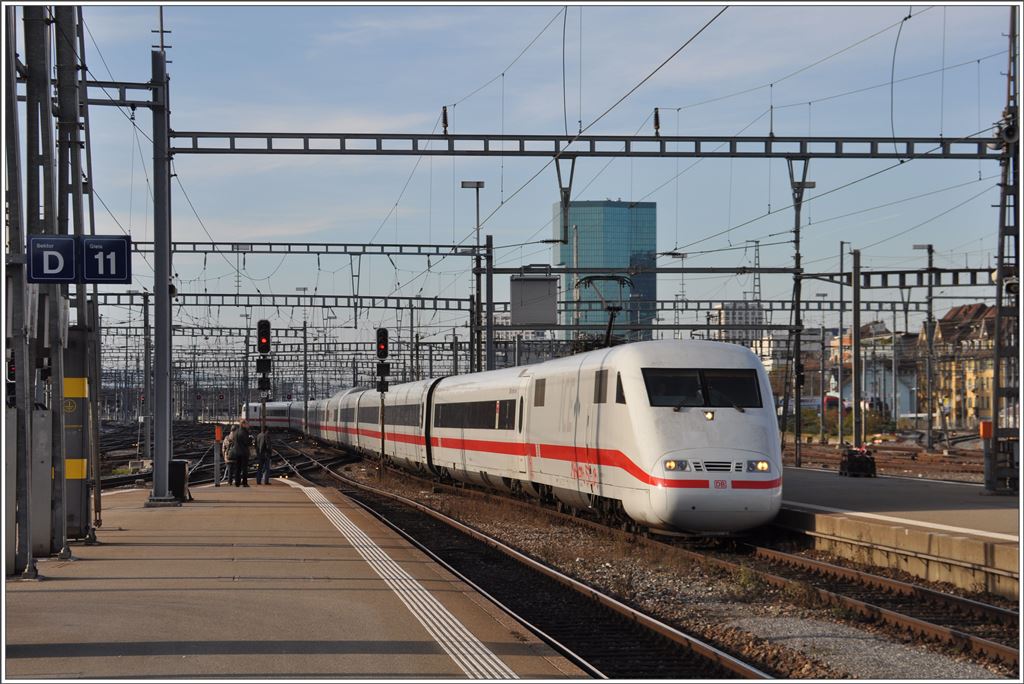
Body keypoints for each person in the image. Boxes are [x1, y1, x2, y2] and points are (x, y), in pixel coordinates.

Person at [232, 420, 252, 487]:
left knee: (237, 468)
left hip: (237, 452)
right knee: (244, 468)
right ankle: (244, 483)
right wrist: (250, 439)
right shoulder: (244, 432)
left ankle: (237, 482)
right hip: (243, 452)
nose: (248, 425)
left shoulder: (236, 432)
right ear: (243, 424)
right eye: (247, 424)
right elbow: (246, 442)